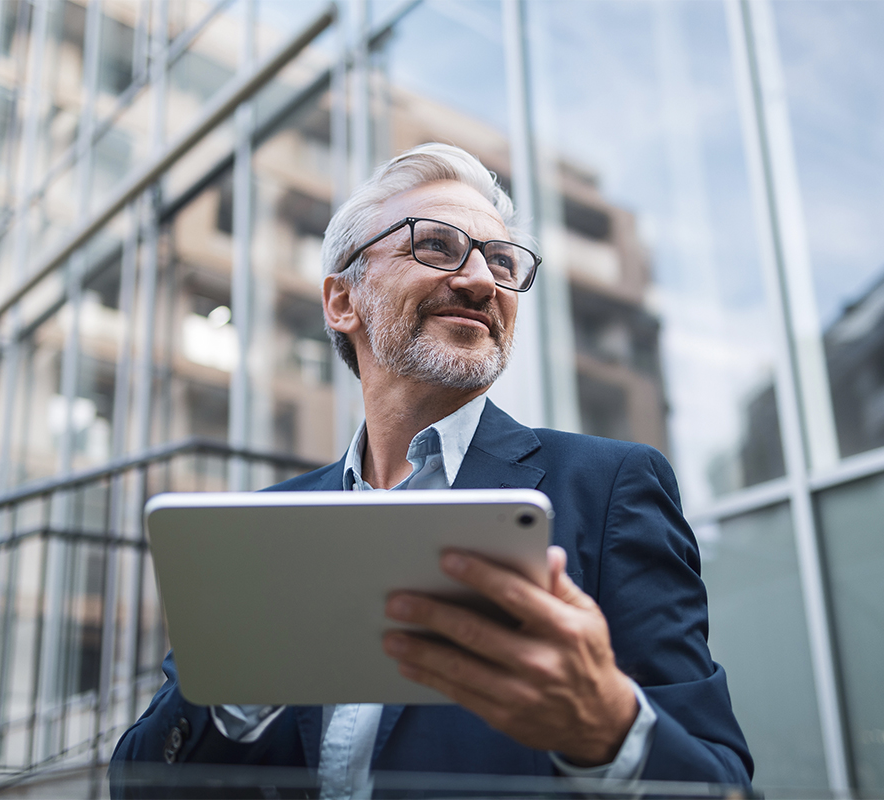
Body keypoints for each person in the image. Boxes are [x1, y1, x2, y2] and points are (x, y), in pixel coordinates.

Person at [110, 143, 753, 797]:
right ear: (341, 300)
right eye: (437, 247)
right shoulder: (266, 528)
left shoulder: (609, 487)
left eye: (502, 262)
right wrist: (235, 688)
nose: (481, 280)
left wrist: (610, 729)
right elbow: (136, 785)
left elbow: (719, 782)